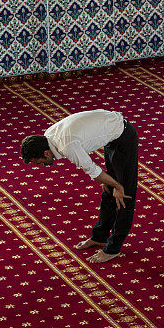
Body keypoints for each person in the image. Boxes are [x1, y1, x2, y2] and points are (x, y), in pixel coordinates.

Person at [20, 110, 138, 263]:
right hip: (111, 136)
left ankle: (113, 249)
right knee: (108, 191)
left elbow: (92, 170)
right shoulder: (48, 136)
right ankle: (100, 237)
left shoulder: (67, 146)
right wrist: (110, 183)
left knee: (124, 196)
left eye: (40, 162)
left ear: (47, 153)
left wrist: (117, 185)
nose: (42, 166)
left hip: (123, 138)